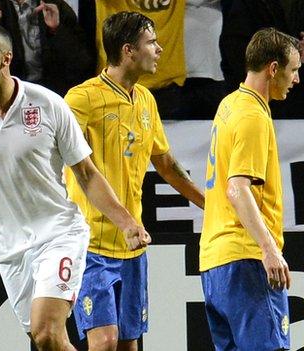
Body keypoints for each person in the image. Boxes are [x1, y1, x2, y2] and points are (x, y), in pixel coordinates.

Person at [0, 23, 149, 351]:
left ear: (6, 58)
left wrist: (126, 222)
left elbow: (86, 173)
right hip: (10, 249)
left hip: (59, 234)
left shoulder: (47, 104)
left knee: (45, 330)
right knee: (48, 343)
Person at [64, 12, 205, 351]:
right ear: (128, 50)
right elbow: (66, 164)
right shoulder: (80, 100)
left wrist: (211, 205)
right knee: (105, 341)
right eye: (151, 42)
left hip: (132, 245)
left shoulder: (145, 100)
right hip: (90, 244)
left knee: (129, 343)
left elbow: (167, 165)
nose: (159, 48)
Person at [200, 27, 300, 350]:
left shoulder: (228, 105)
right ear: (273, 69)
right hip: (246, 260)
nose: (296, 79)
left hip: (214, 265)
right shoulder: (253, 116)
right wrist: (269, 249)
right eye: (294, 70)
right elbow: (237, 189)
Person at [0, 0, 94, 98]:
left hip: (53, 93)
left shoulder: (55, 5)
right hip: (6, 96)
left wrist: (56, 30)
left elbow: (81, 61)